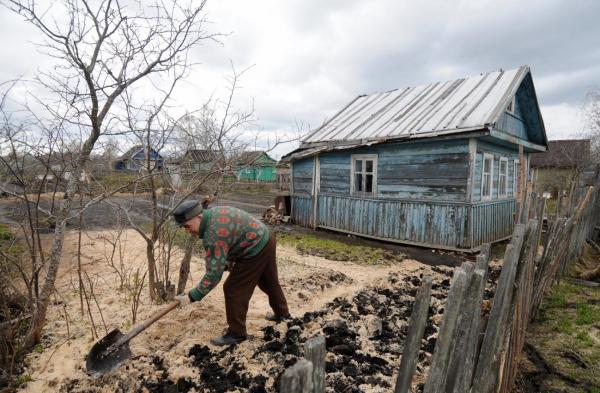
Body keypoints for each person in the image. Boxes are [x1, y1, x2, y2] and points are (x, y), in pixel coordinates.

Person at [172, 200, 290, 346]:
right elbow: (231, 237)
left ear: (199, 217)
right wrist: (226, 262)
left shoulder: (212, 234)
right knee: (268, 282)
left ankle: (236, 334)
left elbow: (214, 274)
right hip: (265, 237)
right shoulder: (213, 215)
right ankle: (283, 315)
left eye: (187, 226)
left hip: (254, 248)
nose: (187, 230)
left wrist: (192, 296)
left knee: (233, 289)